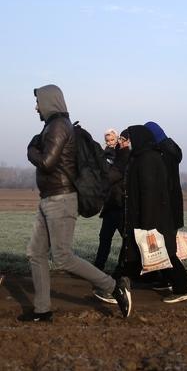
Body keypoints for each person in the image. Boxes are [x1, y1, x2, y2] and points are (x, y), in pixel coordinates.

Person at [24, 84, 131, 321]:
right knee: (35, 253)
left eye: (38, 103)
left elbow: (47, 163)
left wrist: (31, 149)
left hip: (61, 199)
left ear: (49, 102)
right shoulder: (52, 126)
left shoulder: (58, 126)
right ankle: (42, 310)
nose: (36, 108)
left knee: (62, 256)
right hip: (50, 198)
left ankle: (114, 286)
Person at [119, 125, 187, 303]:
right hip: (151, 216)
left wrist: (147, 224)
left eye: (129, 139)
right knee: (155, 253)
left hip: (153, 217)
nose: (127, 143)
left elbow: (149, 192)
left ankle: (183, 288)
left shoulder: (148, 159)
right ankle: (119, 283)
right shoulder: (144, 157)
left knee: (163, 253)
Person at [93, 129, 131, 270]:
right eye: (108, 140)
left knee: (123, 239)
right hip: (111, 203)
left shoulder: (121, 155)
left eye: (113, 140)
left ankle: (124, 268)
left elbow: (110, 175)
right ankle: (99, 267)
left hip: (119, 202)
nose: (110, 143)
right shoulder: (106, 154)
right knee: (105, 237)